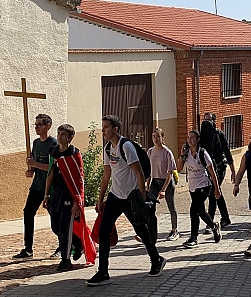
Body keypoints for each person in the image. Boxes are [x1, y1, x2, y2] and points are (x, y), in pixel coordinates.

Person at [86, 115, 165, 286]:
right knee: (104, 229)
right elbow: (107, 174)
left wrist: (142, 197)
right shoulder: (108, 149)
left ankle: (156, 259)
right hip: (115, 195)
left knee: (141, 230)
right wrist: (100, 199)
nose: (103, 130)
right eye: (102, 127)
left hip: (131, 196)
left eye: (106, 127)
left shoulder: (126, 146)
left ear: (115, 129)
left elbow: (139, 172)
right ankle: (103, 272)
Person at [13, 114, 58, 259]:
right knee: (28, 213)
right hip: (37, 186)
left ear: (48, 126)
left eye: (40, 124)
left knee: (55, 218)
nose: (36, 127)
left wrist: (35, 165)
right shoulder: (36, 143)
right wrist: (30, 170)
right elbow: (33, 162)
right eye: (35, 124)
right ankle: (28, 249)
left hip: (50, 187)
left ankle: (63, 246)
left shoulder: (54, 144)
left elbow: (53, 168)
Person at [43, 124, 85, 271]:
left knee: (64, 227)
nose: (60, 136)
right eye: (59, 133)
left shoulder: (74, 154)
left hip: (69, 194)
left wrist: (77, 201)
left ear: (70, 137)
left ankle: (66, 260)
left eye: (63, 134)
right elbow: (50, 173)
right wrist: (47, 194)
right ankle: (77, 242)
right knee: (55, 227)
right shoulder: (53, 152)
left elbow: (79, 179)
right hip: (57, 193)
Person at [176, 130, 222, 248]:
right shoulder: (186, 153)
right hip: (192, 185)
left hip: (204, 185)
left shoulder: (203, 153)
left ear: (197, 140)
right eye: (188, 138)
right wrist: (182, 155)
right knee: (201, 211)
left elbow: (212, 172)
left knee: (193, 210)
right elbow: (179, 168)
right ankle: (214, 226)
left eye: (192, 138)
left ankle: (193, 238)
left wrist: (217, 189)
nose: (189, 140)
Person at [199, 117, 235, 230]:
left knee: (213, 192)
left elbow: (227, 152)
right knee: (216, 191)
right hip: (209, 168)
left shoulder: (219, 134)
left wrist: (233, 171)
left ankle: (210, 223)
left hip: (220, 167)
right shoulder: (202, 136)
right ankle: (225, 218)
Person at [147, 128, 179, 241]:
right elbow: (149, 169)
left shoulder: (167, 152)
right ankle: (150, 232)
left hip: (167, 183)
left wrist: (164, 189)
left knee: (171, 206)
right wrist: (147, 184)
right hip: (155, 182)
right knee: (149, 206)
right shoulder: (150, 151)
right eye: (154, 136)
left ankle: (174, 230)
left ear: (162, 138)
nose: (155, 139)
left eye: (158, 136)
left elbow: (170, 172)